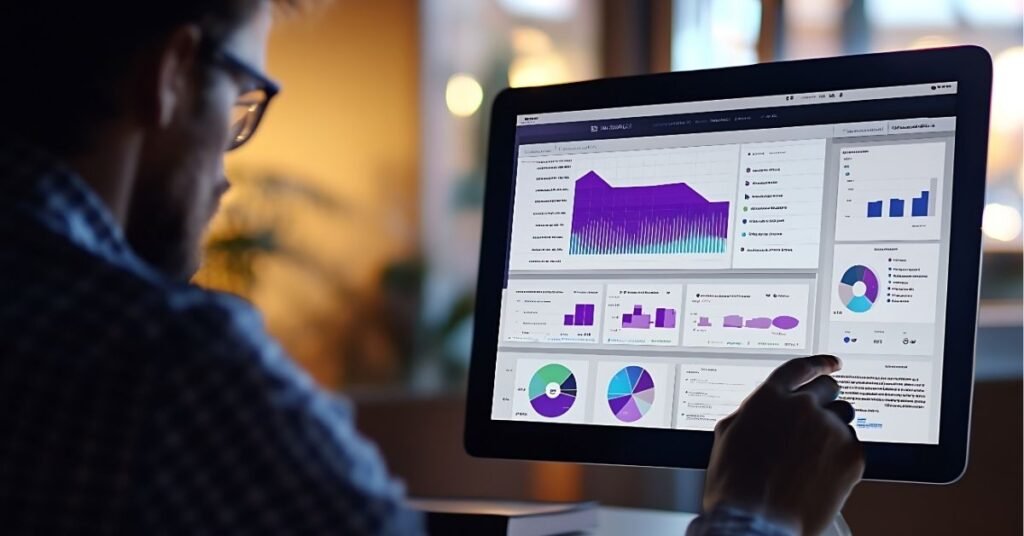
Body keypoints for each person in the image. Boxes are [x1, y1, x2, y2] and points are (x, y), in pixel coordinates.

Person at [0, 1, 863, 534]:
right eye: (239, 101)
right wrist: (759, 515)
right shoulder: (166, 368)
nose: (229, 168)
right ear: (172, 73)